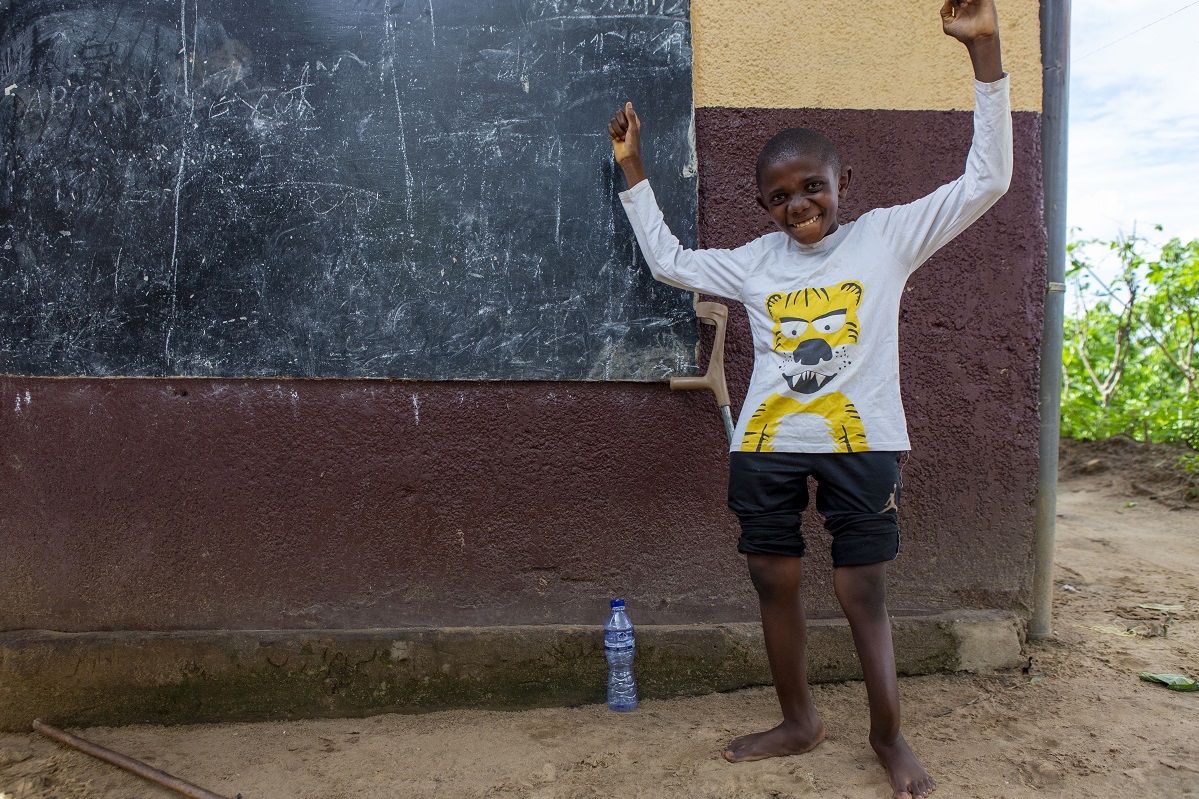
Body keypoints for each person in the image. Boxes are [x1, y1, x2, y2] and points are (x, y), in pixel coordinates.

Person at [607, 2, 1011, 797]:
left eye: (811, 189)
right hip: (767, 443)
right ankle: (799, 720)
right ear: (762, 205)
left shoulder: (888, 236)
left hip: (863, 441)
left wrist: (986, 54)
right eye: (779, 196)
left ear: (842, 185)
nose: (798, 207)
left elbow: (988, 179)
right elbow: (668, 261)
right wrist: (632, 168)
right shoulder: (756, 260)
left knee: (862, 587)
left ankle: (888, 736)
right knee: (772, 575)